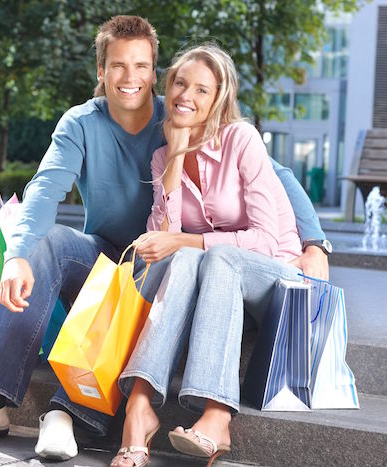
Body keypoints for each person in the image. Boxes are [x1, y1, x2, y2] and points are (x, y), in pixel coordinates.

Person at [0, 16, 330, 461]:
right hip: (110, 252)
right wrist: (17, 255)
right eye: (118, 65)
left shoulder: (179, 117)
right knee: (51, 244)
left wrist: (314, 242)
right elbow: (45, 189)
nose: (130, 77)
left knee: (150, 268)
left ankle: (69, 413)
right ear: (101, 71)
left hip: (161, 260)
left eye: (142, 66)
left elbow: (278, 177)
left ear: (155, 72)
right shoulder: (84, 124)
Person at [111, 44, 317, 467]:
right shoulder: (161, 156)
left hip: (275, 277)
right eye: (180, 84)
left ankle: (217, 412)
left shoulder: (241, 139)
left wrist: (186, 242)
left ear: (219, 98)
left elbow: (262, 239)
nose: (186, 95)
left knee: (208, 256)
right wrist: (177, 153)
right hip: (215, 278)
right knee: (188, 259)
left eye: (202, 90)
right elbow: (160, 243)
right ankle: (139, 408)